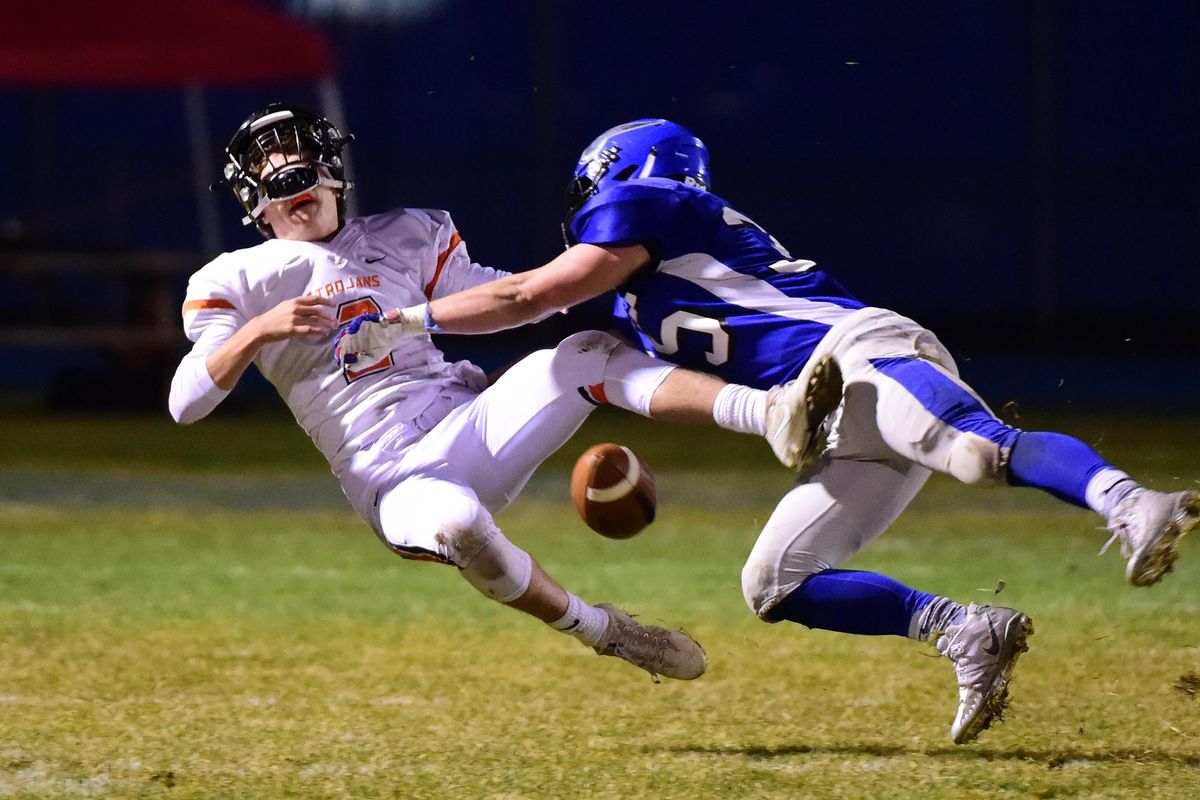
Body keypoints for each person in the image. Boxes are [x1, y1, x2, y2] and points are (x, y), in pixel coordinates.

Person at [335, 118, 1200, 744]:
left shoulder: (651, 203)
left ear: (622, 171)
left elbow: (531, 296)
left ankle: (1131, 502)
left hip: (860, 352)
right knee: (775, 583)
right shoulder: (650, 274)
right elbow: (578, 331)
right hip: (829, 412)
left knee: (974, 452)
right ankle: (962, 628)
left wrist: (407, 320)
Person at [170, 105, 816, 684]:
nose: (294, 192)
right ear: (255, 205)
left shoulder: (408, 234)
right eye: (274, 184)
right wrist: (258, 330)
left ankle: (772, 411)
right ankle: (606, 630)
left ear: (333, 173)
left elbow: (508, 301)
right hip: (390, 474)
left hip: (467, 424)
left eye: (302, 171)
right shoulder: (235, 278)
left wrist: (609, 273)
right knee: (458, 525)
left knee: (579, 355)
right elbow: (185, 402)